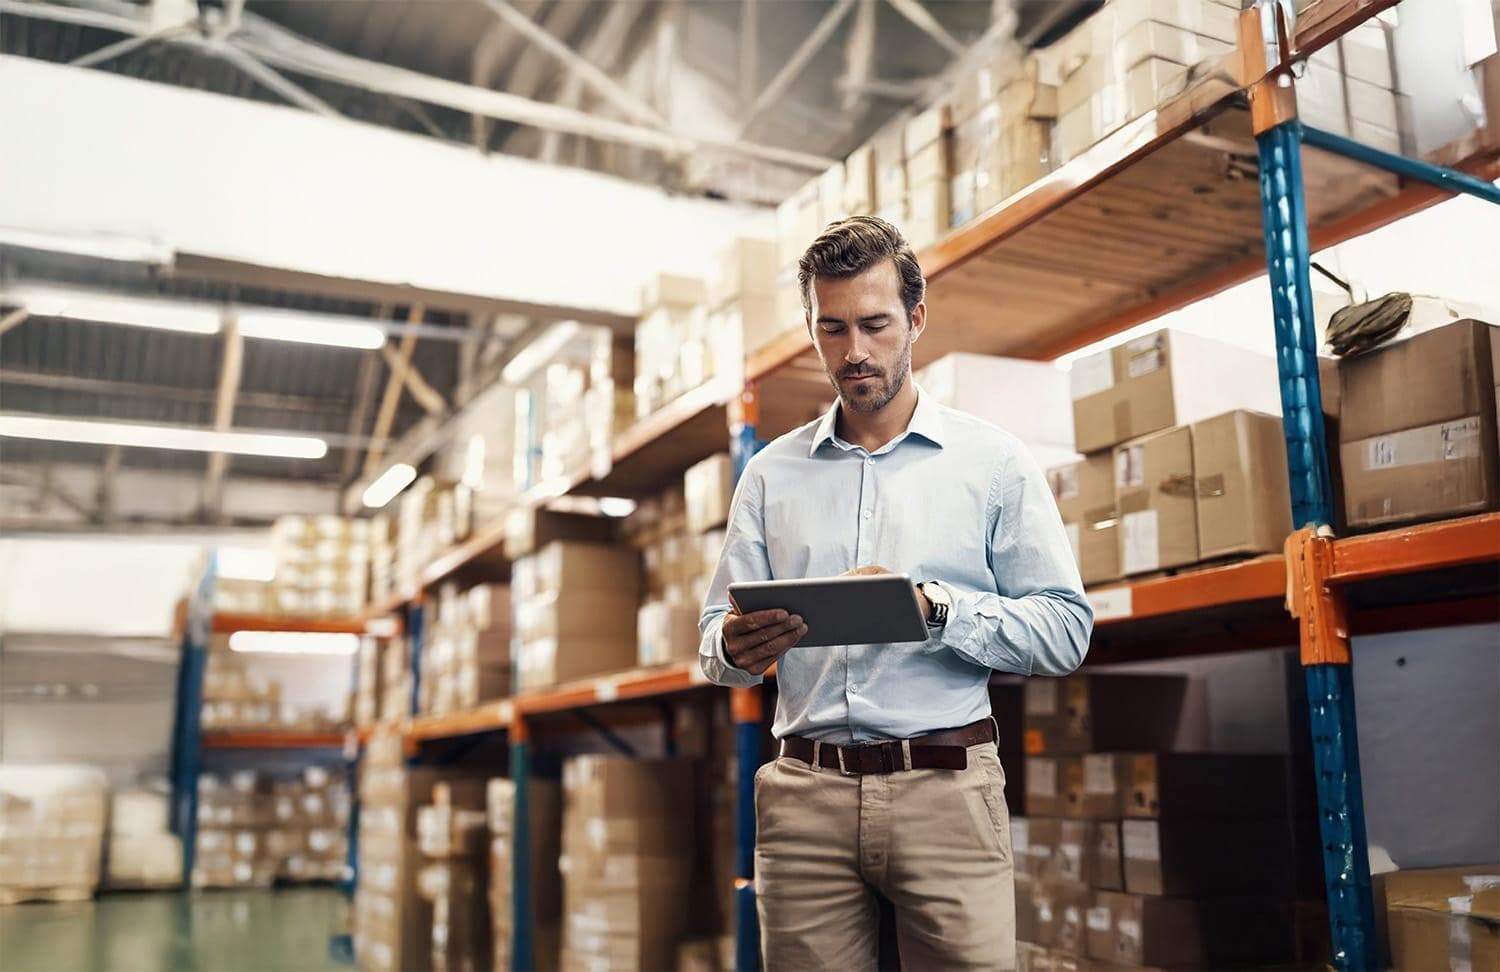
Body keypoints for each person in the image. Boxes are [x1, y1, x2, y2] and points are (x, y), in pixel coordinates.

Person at [697, 216, 1092, 970]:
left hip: (944, 791)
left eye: (875, 325)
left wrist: (939, 610)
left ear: (915, 318)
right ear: (810, 326)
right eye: (832, 328)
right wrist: (732, 648)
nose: (855, 352)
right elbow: (717, 638)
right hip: (804, 798)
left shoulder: (991, 462)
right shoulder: (772, 475)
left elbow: (1065, 630)